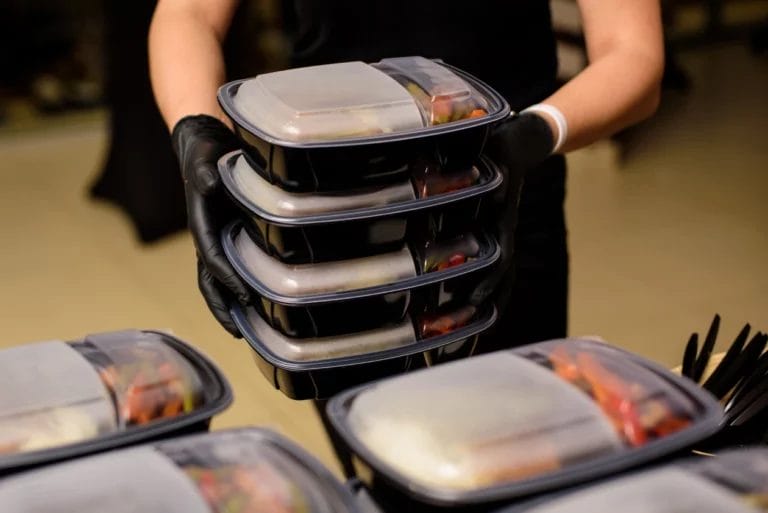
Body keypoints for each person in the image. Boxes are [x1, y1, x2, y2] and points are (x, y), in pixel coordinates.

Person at [149, 0, 662, 477]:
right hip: (333, 220)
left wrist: (530, 136)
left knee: (520, 460)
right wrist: (198, 135)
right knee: (383, 460)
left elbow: (633, 53)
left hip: (501, 198)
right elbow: (188, 13)